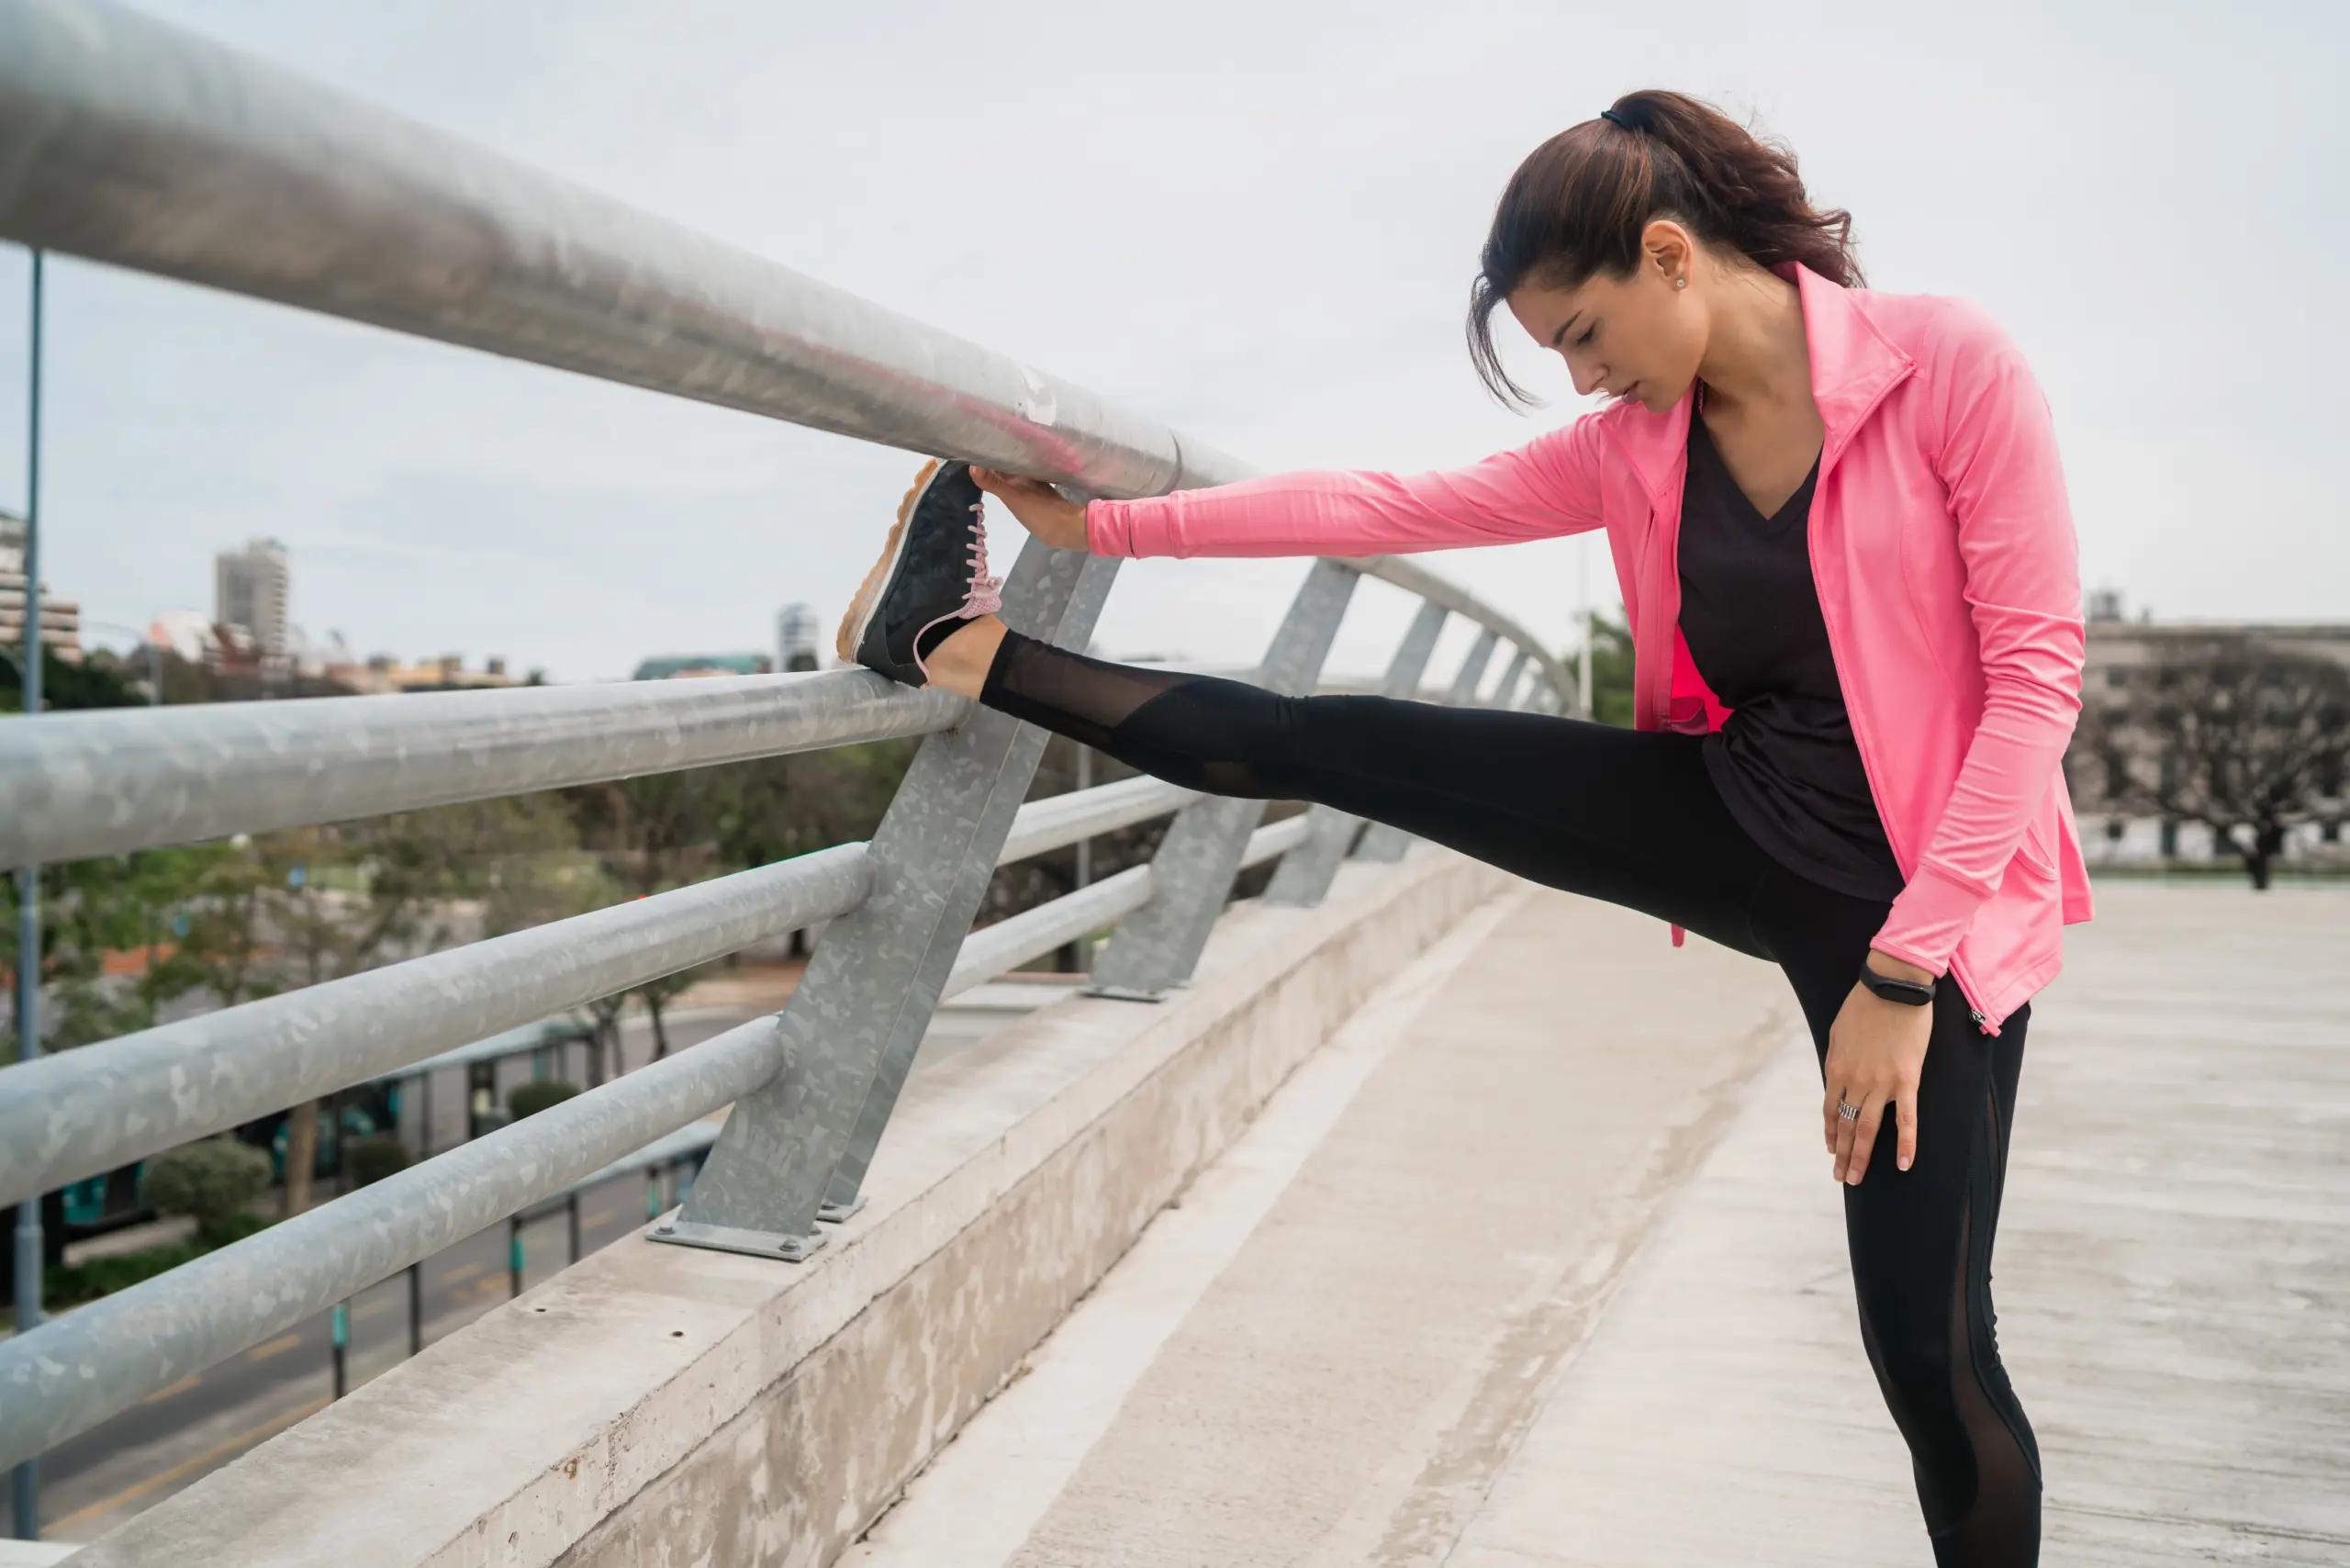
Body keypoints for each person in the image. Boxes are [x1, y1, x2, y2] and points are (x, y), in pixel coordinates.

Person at [836, 88, 2087, 1566]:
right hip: (1729, 811)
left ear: (1672, 257)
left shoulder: (1947, 367)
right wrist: (1097, 526)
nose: (1580, 379)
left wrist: (1900, 978)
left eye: (1583, 335)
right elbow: (1386, 501)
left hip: (1924, 920)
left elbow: (2035, 682)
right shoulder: (1638, 444)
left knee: (1931, 1353)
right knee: (1339, 742)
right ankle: (949, 644)